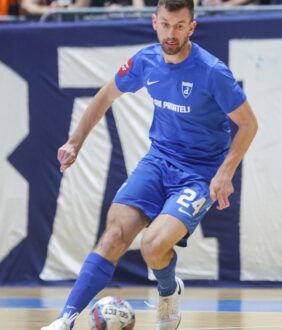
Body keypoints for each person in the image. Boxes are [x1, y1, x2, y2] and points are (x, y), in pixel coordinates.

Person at [42, 0, 257, 328]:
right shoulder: (146, 61)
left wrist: (225, 172)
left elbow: (249, 124)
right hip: (158, 161)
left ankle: (169, 293)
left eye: (180, 25)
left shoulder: (212, 72)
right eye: (166, 25)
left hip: (199, 174)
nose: (172, 33)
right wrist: (75, 142)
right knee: (115, 234)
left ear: (191, 27)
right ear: (155, 22)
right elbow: (105, 97)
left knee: (154, 246)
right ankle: (65, 320)